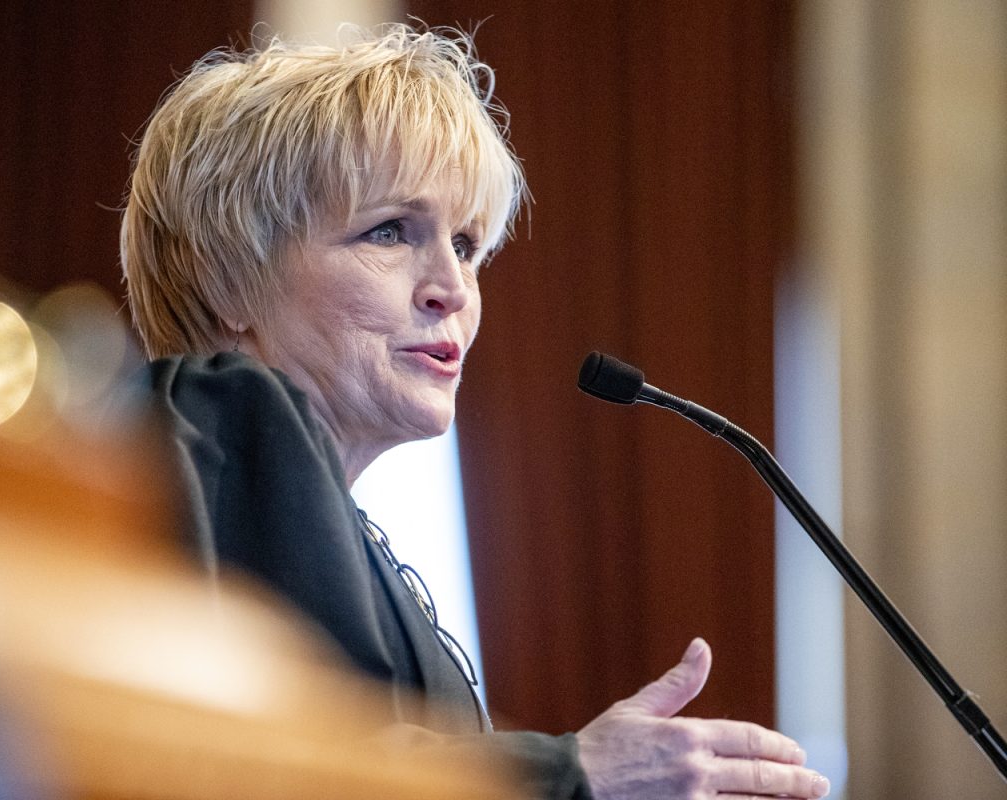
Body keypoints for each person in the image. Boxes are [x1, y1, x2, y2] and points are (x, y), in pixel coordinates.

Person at [120, 23, 831, 800]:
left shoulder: (325, 517)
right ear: (225, 279)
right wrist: (574, 775)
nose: (451, 288)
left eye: (464, 244)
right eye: (389, 232)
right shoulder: (226, 413)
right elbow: (291, 764)